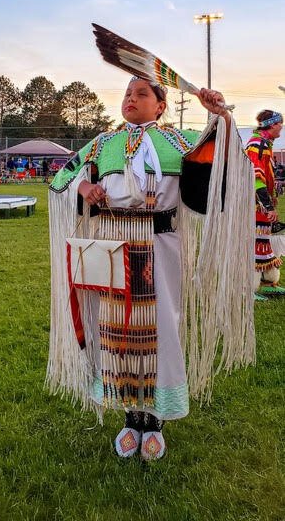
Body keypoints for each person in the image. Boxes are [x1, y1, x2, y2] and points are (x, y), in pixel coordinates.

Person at [47, 74, 255, 462]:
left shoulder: (178, 142)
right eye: (127, 92)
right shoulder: (104, 142)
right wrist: (84, 189)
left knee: (161, 326)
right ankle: (130, 415)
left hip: (159, 242)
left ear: (160, 106)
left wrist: (221, 116)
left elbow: (225, 157)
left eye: (142, 93)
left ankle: (155, 418)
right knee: (117, 327)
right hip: (111, 243)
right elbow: (65, 175)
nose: (131, 98)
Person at [245, 110, 285, 297]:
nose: (281, 127)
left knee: (263, 241)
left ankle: (267, 280)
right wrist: (267, 206)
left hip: (259, 206)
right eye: (279, 123)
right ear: (271, 124)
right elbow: (256, 178)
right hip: (254, 205)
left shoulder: (264, 144)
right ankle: (249, 286)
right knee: (255, 242)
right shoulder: (257, 144)